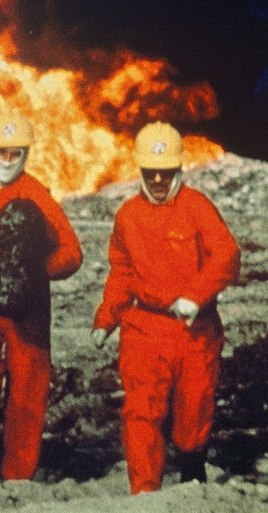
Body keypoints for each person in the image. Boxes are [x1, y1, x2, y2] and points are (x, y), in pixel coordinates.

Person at [91, 121, 241, 494]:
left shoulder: (197, 208)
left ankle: (192, 473)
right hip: (144, 329)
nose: (158, 180)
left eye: (166, 172)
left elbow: (226, 254)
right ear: (140, 170)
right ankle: (145, 494)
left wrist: (195, 295)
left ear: (178, 169)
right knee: (141, 412)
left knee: (194, 411)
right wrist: (106, 318)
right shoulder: (128, 215)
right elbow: (122, 271)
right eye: (150, 172)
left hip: (194, 331)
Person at [0, 112, 82, 480]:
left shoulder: (35, 194)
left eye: (15, 154)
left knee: (27, 385)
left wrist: (33, 274)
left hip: (28, 306)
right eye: (1, 152)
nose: (7, 161)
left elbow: (72, 252)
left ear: (26, 155)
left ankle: (18, 473)